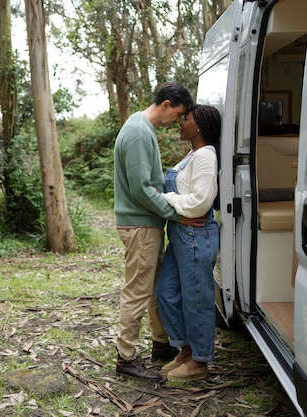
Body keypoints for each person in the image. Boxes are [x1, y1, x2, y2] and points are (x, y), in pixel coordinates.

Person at [114, 82, 204, 381]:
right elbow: (141, 189)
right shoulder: (139, 131)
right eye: (177, 113)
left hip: (145, 223)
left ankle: (160, 343)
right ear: (165, 104)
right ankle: (125, 358)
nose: (177, 121)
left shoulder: (141, 128)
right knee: (137, 291)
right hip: (140, 224)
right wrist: (176, 215)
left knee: (151, 288)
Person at [155, 104, 222, 382]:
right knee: (166, 292)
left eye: (187, 120)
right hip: (181, 235)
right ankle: (185, 348)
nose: (181, 123)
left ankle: (200, 360)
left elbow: (200, 203)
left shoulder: (205, 156)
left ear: (200, 127)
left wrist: (166, 199)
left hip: (196, 235)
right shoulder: (193, 155)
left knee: (197, 299)